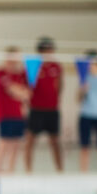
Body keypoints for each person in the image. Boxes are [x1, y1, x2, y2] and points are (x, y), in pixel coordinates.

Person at [24, 36, 64, 172]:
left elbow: (59, 86)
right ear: (40, 51)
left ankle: (60, 171)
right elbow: (27, 87)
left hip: (52, 110)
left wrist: (55, 100)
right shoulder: (33, 66)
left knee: (55, 142)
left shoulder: (56, 66)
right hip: (36, 109)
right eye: (45, 50)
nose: (48, 53)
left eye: (50, 50)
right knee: (30, 141)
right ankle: (28, 171)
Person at [0, 46, 31, 173]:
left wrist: (19, 91)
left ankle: (11, 171)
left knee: (16, 144)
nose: (18, 60)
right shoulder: (0, 73)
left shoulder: (21, 74)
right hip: (5, 114)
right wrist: (20, 91)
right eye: (16, 57)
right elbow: (13, 90)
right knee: (4, 143)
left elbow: (27, 94)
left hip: (19, 114)